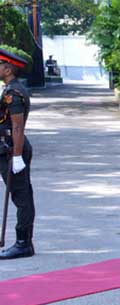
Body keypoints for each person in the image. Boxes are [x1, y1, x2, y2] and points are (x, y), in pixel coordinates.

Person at [0, 47, 35, 260]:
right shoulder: (7, 89)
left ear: (8, 68)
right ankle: (24, 241)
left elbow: (17, 127)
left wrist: (17, 156)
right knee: (20, 195)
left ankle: (23, 243)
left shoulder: (14, 92)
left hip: (11, 149)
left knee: (21, 197)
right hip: (6, 148)